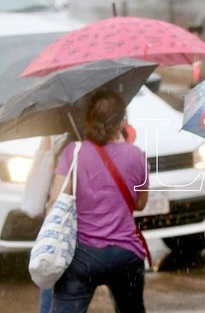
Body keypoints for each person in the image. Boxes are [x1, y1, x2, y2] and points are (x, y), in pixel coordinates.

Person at [47, 89, 149, 313]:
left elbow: (57, 201)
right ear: (121, 120)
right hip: (126, 254)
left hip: (83, 257)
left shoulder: (73, 152)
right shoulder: (137, 155)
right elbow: (141, 203)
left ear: (89, 118)